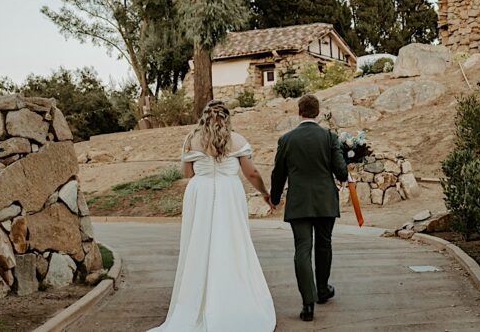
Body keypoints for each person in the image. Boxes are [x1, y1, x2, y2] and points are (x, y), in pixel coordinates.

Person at [149, 101, 276, 332]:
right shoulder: (236, 140)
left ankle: (197, 299)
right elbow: (252, 172)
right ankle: (232, 298)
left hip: (201, 192)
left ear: (204, 117)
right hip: (229, 192)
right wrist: (264, 193)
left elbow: (187, 173)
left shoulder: (191, 139)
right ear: (227, 118)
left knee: (200, 243)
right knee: (232, 243)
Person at [270, 94, 349, 322]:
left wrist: (274, 198)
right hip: (325, 200)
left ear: (299, 112)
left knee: (302, 249)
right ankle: (323, 290)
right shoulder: (329, 137)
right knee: (324, 245)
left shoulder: (286, 139)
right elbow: (341, 172)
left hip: (299, 201)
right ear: (317, 112)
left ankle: (308, 303)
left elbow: (279, 173)